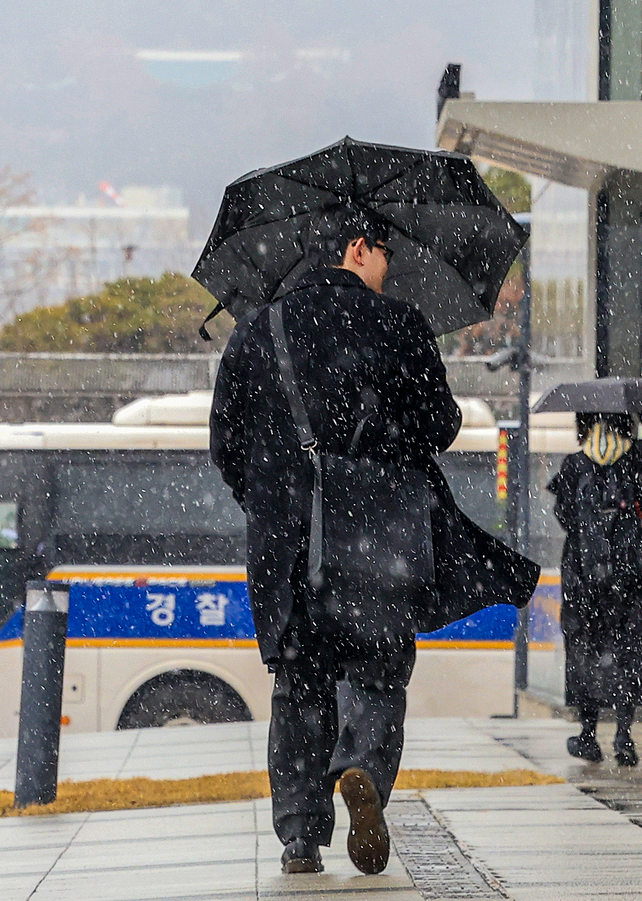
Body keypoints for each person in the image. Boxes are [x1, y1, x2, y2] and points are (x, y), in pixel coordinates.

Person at [210, 210, 539, 876]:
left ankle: (300, 835)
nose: (388, 266)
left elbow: (226, 443)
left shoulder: (257, 331)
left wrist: (279, 504)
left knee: (299, 683)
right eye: (384, 249)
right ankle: (360, 764)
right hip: (380, 535)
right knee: (380, 670)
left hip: (287, 547)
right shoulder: (400, 325)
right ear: (356, 247)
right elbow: (440, 427)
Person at [548, 398, 642, 767]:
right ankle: (623, 733)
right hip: (634, 579)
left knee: (587, 652)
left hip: (587, 579)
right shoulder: (640, 459)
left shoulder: (575, 465)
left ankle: (588, 734)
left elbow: (564, 517)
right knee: (628, 652)